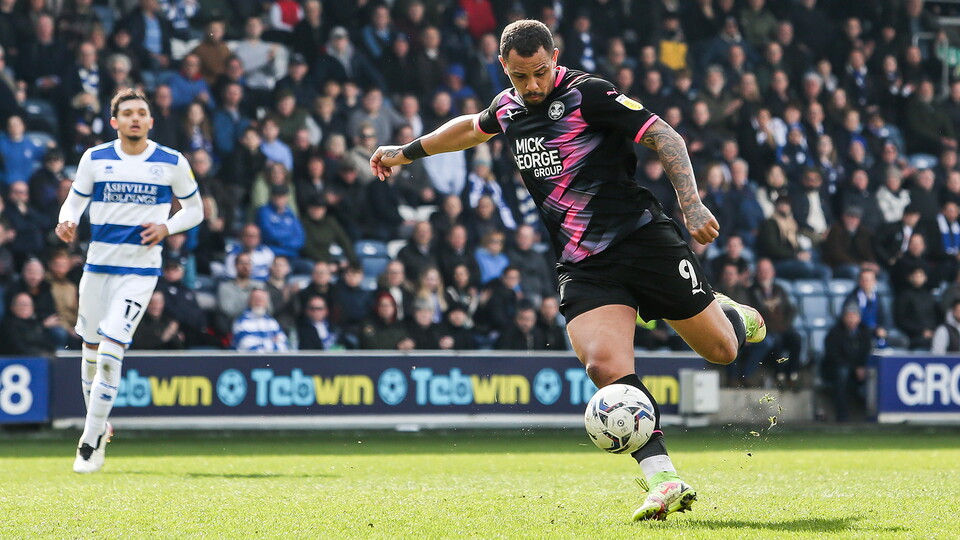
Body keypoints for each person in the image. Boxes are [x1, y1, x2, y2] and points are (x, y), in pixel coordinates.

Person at [370, 19, 766, 521]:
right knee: (604, 366)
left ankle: (728, 312)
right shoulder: (509, 107)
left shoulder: (590, 95)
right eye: (519, 77)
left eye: (539, 73)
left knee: (723, 351)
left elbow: (665, 135)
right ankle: (663, 479)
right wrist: (405, 153)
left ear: (555, 57)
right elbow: (471, 127)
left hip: (644, 242)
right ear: (504, 69)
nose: (531, 86)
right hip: (583, 264)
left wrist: (691, 206)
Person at [55, 89, 202, 474]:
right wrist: (66, 219)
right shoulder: (95, 157)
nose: (136, 118)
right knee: (89, 351)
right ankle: (100, 426)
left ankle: (88, 442)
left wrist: (167, 226)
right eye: (128, 113)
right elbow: (74, 200)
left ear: (151, 121)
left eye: (142, 112)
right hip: (97, 268)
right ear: (115, 121)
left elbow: (196, 210)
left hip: (139, 273)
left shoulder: (171, 161)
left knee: (110, 352)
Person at [823, 304, 873, 422]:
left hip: (859, 368)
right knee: (842, 373)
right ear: (843, 318)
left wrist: (861, 366)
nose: (851, 319)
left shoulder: (865, 332)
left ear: (859, 318)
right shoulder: (834, 333)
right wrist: (855, 367)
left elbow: (867, 352)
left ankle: (871, 413)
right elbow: (833, 356)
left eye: (854, 316)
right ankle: (842, 415)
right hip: (837, 368)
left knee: (873, 373)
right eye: (848, 316)